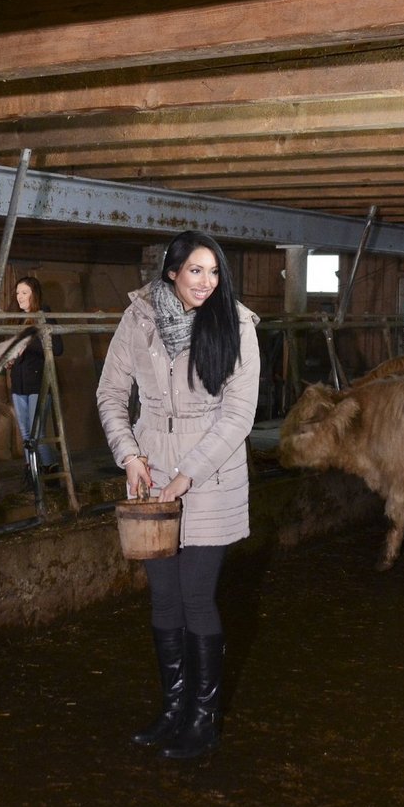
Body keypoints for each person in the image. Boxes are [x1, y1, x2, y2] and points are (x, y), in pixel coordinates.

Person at [96, 230, 261, 760]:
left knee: (195, 596)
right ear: (172, 271)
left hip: (210, 476)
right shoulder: (138, 319)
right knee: (163, 595)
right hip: (150, 471)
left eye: (214, 272)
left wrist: (187, 473)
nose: (207, 282)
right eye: (196, 270)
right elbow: (111, 393)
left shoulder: (236, 325)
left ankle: (203, 717)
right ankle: (173, 709)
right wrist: (129, 454)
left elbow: (237, 415)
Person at [8, 276, 64, 471]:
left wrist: (27, 343)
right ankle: (32, 472)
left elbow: (57, 348)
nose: (20, 298)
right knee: (25, 432)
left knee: (37, 431)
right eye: (17, 293)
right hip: (18, 382)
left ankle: (51, 467)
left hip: (38, 381)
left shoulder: (44, 316)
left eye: (24, 293)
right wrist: (10, 359)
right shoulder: (16, 319)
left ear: (35, 295)